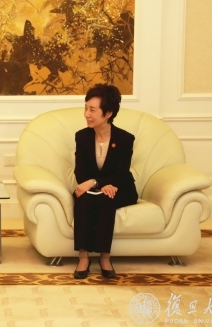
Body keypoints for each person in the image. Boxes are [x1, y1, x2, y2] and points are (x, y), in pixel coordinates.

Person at [72, 84, 137, 279]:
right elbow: (80, 171)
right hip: (92, 187)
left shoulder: (125, 139)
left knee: (106, 199)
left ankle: (105, 257)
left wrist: (99, 183)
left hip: (120, 188)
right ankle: (83, 257)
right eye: (86, 108)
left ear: (108, 113)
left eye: (92, 110)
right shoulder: (82, 137)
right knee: (83, 199)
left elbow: (121, 174)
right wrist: (97, 184)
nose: (87, 114)